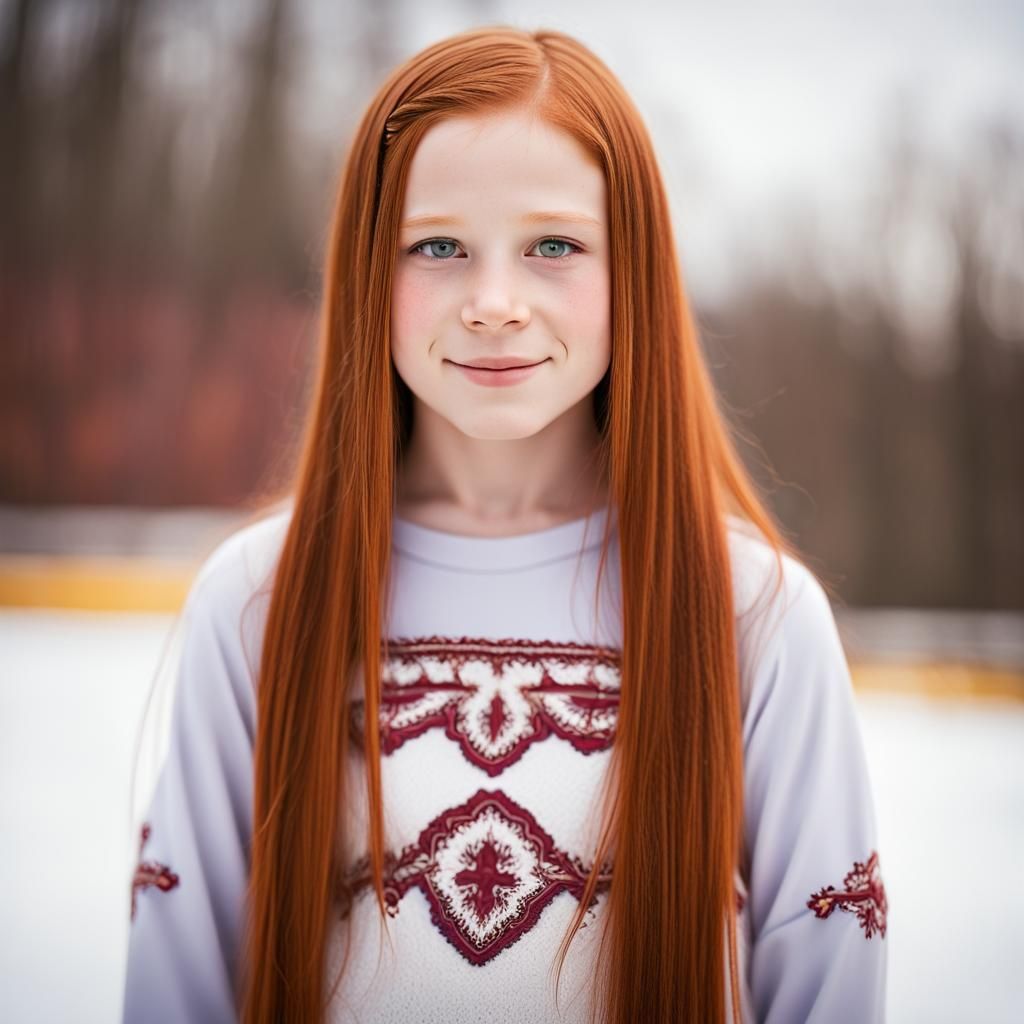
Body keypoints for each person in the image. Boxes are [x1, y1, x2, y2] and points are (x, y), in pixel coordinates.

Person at [120, 25, 888, 1024]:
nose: (492, 302)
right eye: (437, 246)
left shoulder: (754, 616)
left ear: (634, 275)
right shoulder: (259, 600)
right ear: (365, 271)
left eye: (554, 246)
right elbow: (176, 987)